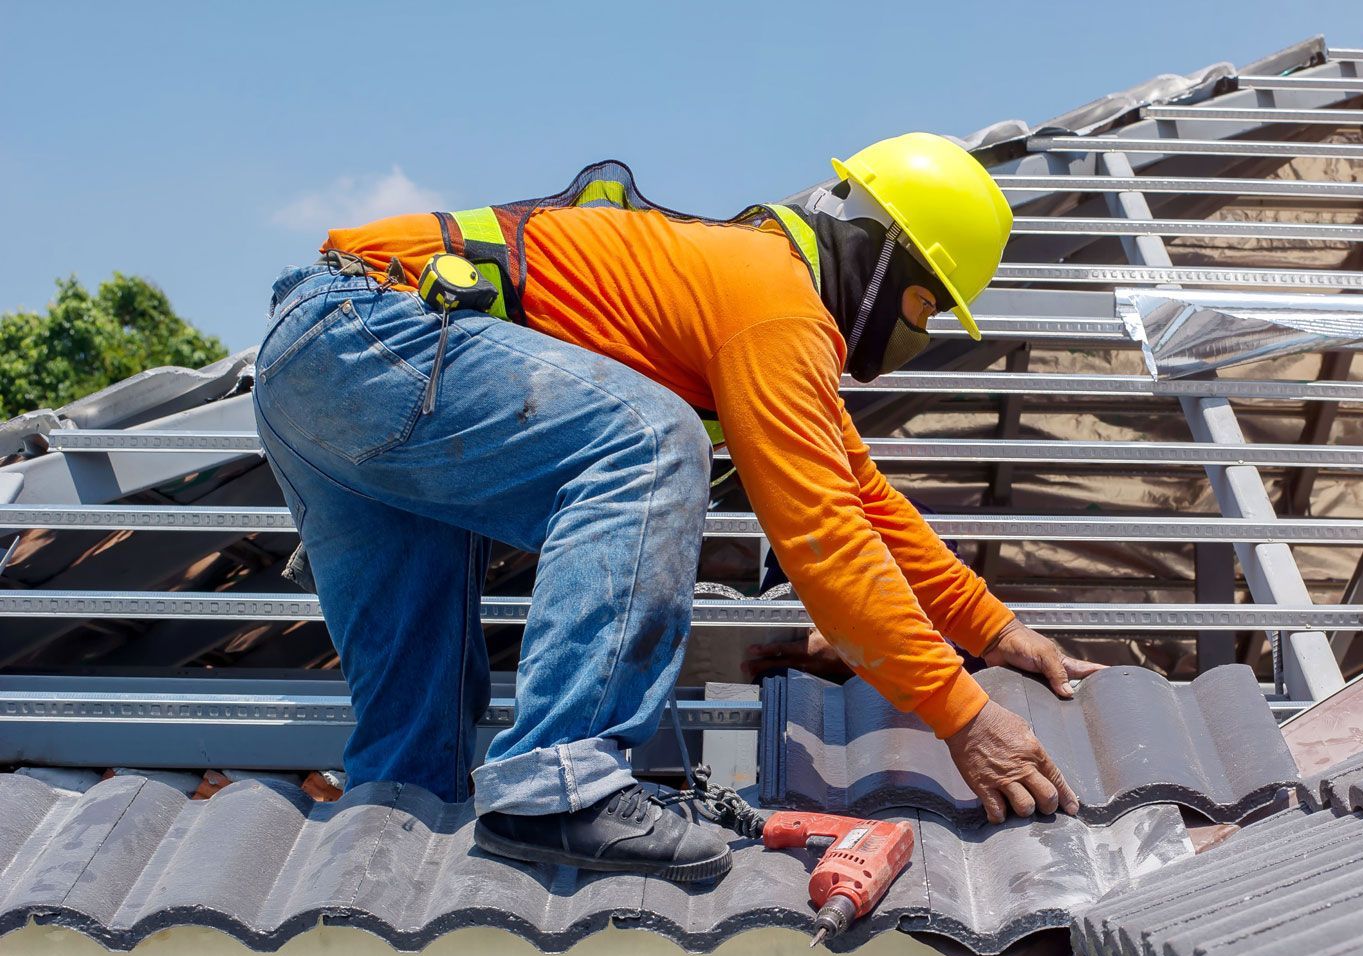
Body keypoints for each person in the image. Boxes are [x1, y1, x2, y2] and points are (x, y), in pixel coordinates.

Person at [249, 134, 1100, 881]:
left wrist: (991, 629)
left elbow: (863, 499)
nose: (919, 331)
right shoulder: (776, 304)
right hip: (374, 332)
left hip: (318, 364)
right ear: (878, 256)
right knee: (651, 444)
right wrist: (962, 714)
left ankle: (383, 866)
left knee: (416, 721)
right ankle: (559, 782)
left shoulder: (753, 290)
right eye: (925, 304)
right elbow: (825, 542)